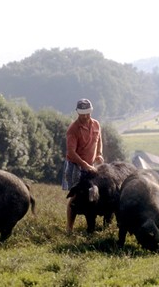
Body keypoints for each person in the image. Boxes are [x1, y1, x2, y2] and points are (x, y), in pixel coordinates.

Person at [62, 98, 104, 234]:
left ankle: (90, 224)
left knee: (91, 194)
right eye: (82, 114)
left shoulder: (96, 124)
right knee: (75, 197)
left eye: (87, 113)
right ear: (77, 113)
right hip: (75, 166)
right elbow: (71, 152)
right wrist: (85, 165)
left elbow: (99, 141)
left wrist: (99, 154)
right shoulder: (73, 129)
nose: (85, 116)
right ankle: (69, 228)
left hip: (90, 165)